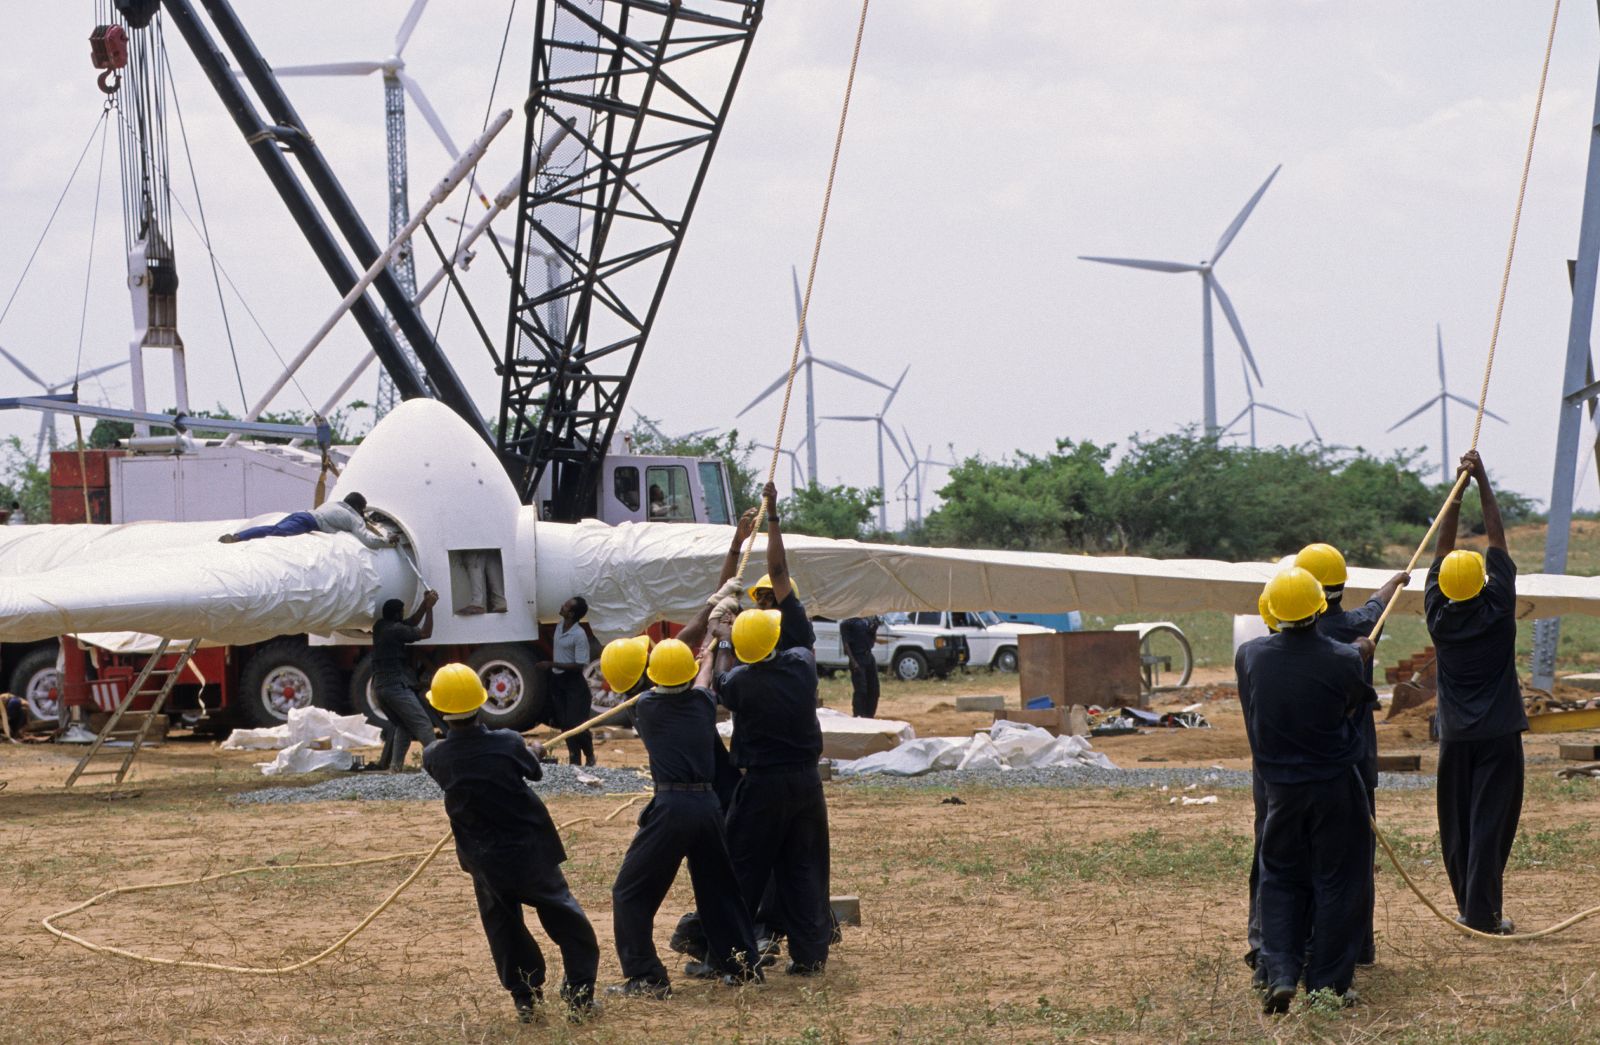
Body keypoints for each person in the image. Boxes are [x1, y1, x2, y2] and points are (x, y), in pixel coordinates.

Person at [421, 663, 599, 1023]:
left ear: (440, 710)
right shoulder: (508, 743)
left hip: (485, 861)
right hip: (530, 853)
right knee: (568, 922)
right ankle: (580, 996)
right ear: (481, 701)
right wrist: (533, 750)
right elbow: (532, 770)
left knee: (505, 929)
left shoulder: (434, 756)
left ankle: (525, 1001)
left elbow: (471, 759)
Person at [1238, 567, 1375, 1014]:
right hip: (1334, 787)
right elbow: (1355, 703)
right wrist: (1363, 655)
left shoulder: (1251, 656)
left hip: (1280, 790)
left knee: (1279, 878)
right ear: (1321, 608)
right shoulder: (1343, 659)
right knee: (1337, 881)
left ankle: (1280, 973)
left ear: (1273, 614)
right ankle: (1329, 984)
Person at [606, 638, 762, 998]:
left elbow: (690, 679)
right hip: (708, 808)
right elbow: (705, 679)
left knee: (629, 892)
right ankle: (742, 968)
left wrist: (705, 647)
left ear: (654, 676)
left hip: (672, 809)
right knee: (721, 891)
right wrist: (715, 646)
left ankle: (646, 978)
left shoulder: (646, 708)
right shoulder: (704, 704)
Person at [1426, 449, 1526, 936]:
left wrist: (1456, 494)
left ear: (1443, 586)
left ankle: (1470, 905)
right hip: (1499, 735)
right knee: (1491, 823)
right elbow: (1499, 539)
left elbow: (1442, 553)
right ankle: (1481, 912)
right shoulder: (1499, 609)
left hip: (1456, 737)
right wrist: (1483, 481)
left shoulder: (1438, 617)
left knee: (1457, 824)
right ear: (1485, 582)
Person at [1297, 542, 1409, 967]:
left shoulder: (1290, 639)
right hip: (1357, 764)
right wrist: (1395, 580)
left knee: (1309, 860)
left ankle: (1308, 946)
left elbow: (1374, 605)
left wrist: (1391, 585)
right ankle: (1359, 947)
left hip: (1307, 768)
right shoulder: (1359, 629)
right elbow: (1374, 607)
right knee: (1356, 861)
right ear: (1341, 586)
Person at [713, 607, 832, 976]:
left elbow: (719, 678)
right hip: (806, 784)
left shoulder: (740, 683)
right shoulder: (801, 666)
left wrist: (722, 637)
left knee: (742, 869)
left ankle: (736, 958)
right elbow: (797, 642)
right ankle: (811, 954)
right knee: (804, 868)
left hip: (762, 787)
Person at [371, 591, 439, 772]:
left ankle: (395, 768)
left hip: (379, 687)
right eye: (401, 613)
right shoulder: (395, 630)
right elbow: (426, 632)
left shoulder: (380, 627)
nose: (403, 616)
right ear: (396, 615)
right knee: (423, 724)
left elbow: (412, 623)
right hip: (395, 687)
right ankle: (439, 765)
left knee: (403, 725)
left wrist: (425, 604)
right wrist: (430, 609)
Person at [744, 483, 814, 653]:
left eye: (769, 596)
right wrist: (737, 544)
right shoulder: (753, 632)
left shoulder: (796, 629)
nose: (761, 602)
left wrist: (773, 516)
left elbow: (777, 572)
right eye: (759, 595)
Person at [220, 492, 395, 549]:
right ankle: (238, 538)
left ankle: (240, 536)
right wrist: (386, 542)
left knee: (274, 529)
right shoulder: (352, 517)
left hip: (301, 514)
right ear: (358, 507)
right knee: (275, 532)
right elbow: (366, 539)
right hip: (307, 522)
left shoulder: (335, 504)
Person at [541, 597, 596, 766]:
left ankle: (590, 755)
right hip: (558, 681)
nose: (562, 606)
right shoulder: (559, 625)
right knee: (564, 724)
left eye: (565, 606)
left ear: (571, 614)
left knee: (576, 724)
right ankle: (574, 758)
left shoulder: (579, 635)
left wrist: (552, 664)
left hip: (573, 683)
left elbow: (580, 664)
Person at [839, 616, 881, 718]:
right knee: (861, 690)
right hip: (857, 657)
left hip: (869, 657)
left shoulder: (867, 620)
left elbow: (872, 640)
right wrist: (853, 662)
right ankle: (858, 714)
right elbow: (846, 644)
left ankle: (869, 715)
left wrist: (874, 629)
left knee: (874, 689)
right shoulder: (847, 623)